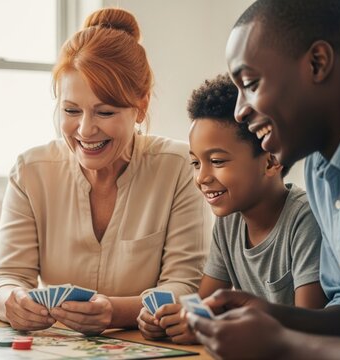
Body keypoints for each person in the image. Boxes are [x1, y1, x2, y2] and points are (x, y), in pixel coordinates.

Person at [0, 7, 212, 336]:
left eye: (105, 111)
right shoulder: (30, 171)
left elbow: (185, 286)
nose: (86, 130)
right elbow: (1, 279)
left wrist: (115, 312)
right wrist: (11, 301)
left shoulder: (178, 166)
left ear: (141, 106)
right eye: (71, 110)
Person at [187, 0, 340, 359]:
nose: (241, 110)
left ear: (318, 63)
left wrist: (284, 344)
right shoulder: (322, 173)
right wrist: (271, 314)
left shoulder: (301, 208)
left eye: (251, 83)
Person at [137, 74, 326, 344]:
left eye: (216, 161)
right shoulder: (229, 222)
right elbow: (202, 305)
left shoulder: (304, 220)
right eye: (195, 163)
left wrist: (202, 327)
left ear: (271, 161)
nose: (202, 177)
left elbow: (308, 324)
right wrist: (169, 320)